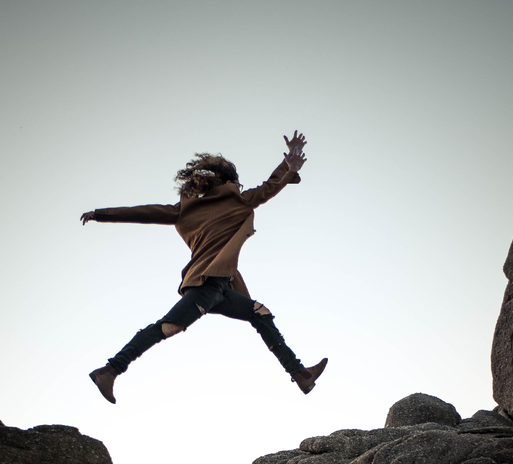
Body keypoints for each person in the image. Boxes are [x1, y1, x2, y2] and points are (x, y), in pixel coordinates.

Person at [80, 130, 328, 404]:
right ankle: (111, 370)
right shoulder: (237, 200)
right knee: (169, 326)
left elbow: (144, 211)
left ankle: (300, 374)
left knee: (260, 313)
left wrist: (101, 214)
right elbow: (270, 187)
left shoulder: (186, 209)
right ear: (229, 181)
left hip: (221, 286)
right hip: (205, 284)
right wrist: (289, 167)